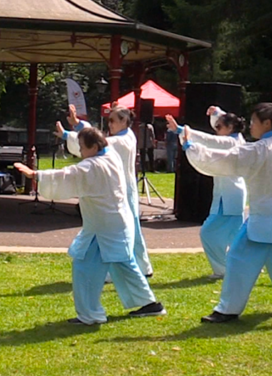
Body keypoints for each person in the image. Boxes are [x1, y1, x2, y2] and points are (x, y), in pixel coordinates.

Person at [181, 90, 272, 323]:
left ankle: (228, 309)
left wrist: (191, 148)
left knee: (236, 258)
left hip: (264, 218)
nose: (251, 126)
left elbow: (224, 159)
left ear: (267, 123)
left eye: (255, 121)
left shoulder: (258, 150)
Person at [13, 127, 164, 324]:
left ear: (94, 147)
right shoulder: (111, 154)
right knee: (123, 264)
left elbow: (68, 174)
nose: (81, 152)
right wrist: (75, 129)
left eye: (83, 148)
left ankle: (91, 315)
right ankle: (150, 304)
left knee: (84, 267)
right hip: (116, 223)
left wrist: (35, 174)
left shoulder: (94, 166)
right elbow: (82, 157)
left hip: (102, 228)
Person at [57, 104, 153, 278]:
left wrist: (71, 131)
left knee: (121, 230)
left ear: (124, 121)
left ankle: (124, 269)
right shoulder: (126, 136)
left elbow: (98, 142)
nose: (109, 124)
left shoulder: (124, 140)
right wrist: (78, 125)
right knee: (130, 229)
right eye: (108, 121)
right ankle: (142, 267)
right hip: (123, 189)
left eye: (112, 121)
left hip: (122, 190)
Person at [166, 107, 247, 280]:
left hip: (230, 197)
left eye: (219, 127)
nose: (216, 129)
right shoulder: (235, 138)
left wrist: (182, 131)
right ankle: (241, 267)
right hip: (230, 195)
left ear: (230, 127)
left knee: (209, 234)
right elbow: (216, 135)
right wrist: (217, 112)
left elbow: (210, 141)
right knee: (236, 238)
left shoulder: (232, 142)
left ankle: (224, 270)